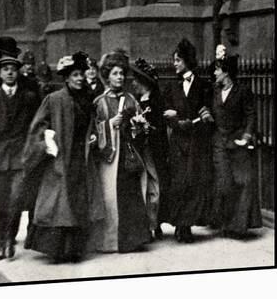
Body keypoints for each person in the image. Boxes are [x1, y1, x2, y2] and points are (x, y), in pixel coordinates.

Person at [22, 51, 104, 263]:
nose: (79, 78)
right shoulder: (54, 99)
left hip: (81, 156)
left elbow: (91, 125)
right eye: (75, 75)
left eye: (81, 75)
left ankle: (75, 249)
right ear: (66, 78)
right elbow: (38, 126)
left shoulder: (87, 100)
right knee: (59, 202)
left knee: (78, 200)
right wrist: (46, 143)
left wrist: (94, 136)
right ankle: (57, 250)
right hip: (60, 156)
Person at [0, 50, 39, 261]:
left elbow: (35, 127)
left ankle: (10, 239)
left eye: (13, 69)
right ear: (0, 74)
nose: (10, 73)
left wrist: (33, 150)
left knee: (16, 200)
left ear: (18, 73)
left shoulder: (29, 98)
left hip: (21, 157)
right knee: (1, 202)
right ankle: (1, 242)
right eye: (6, 70)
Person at [91, 50, 152, 253]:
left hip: (128, 154)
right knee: (111, 197)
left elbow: (142, 130)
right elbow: (93, 130)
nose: (120, 77)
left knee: (130, 196)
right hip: (110, 157)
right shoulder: (100, 102)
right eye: (115, 73)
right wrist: (109, 124)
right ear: (107, 76)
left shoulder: (131, 100)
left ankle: (134, 240)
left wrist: (139, 124)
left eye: (122, 73)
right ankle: (111, 242)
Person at [162, 38, 214, 243]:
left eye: (177, 60)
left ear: (187, 61)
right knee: (178, 185)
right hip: (177, 143)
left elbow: (205, 114)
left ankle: (187, 226)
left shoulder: (203, 86)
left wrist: (183, 117)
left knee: (192, 183)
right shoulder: (171, 87)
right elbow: (166, 113)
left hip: (195, 143)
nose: (174, 64)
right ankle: (179, 224)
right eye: (174, 60)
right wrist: (178, 121)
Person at [210, 48, 262, 238]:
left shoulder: (242, 91)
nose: (215, 73)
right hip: (219, 144)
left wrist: (247, 136)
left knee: (241, 183)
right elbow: (209, 112)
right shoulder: (214, 91)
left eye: (217, 70)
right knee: (224, 184)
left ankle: (237, 227)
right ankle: (223, 222)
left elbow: (250, 114)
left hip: (237, 142)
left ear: (226, 72)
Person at [130, 57, 168, 241]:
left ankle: (154, 223)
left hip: (153, 149)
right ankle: (145, 224)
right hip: (139, 149)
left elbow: (161, 127)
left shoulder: (156, 100)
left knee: (153, 185)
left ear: (144, 82)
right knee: (141, 186)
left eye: (136, 80)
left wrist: (147, 127)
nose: (133, 83)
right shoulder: (136, 100)